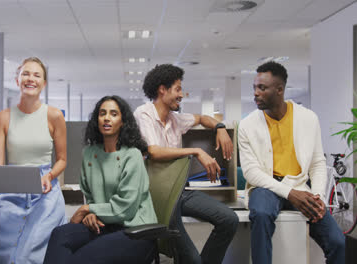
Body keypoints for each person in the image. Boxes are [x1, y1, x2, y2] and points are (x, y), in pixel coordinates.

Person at [238, 61, 345, 264]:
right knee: (260, 214)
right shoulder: (247, 125)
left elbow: (317, 163)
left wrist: (319, 197)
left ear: (279, 90)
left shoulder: (308, 118)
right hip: (266, 186)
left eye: (262, 87)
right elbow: (251, 172)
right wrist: (290, 194)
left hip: (300, 186)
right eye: (254, 87)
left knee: (337, 242)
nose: (256, 93)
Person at [134, 64, 239, 264]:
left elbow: (201, 118)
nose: (182, 95)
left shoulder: (175, 119)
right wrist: (196, 151)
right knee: (192, 260)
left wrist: (220, 127)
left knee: (229, 219)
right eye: (178, 89)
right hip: (157, 196)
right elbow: (153, 151)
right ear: (162, 90)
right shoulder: (143, 114)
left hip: (180, 191)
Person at [0, 57, 67, 263]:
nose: (30, 79)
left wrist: (50, 176)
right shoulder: (3, 117)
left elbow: (62, 160)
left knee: (29, 255)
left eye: (37, 75)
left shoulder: (54, 116)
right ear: (17, 80)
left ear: (44, 83)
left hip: (44, 192)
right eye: (25, 74)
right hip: (11, 192)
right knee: (6, 257)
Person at [44, 96, 158, 264]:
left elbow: (125, 210)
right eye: (102, 113)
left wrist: (87, 209)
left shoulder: (132, 155)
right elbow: (89, 193)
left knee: (79, 258)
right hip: (104, 225)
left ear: (123, 122)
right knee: (60, 235)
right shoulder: (89, 153)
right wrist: (90, 213)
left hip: (135, 230)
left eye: (113, 114)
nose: (106, 118)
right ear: (96, 119)